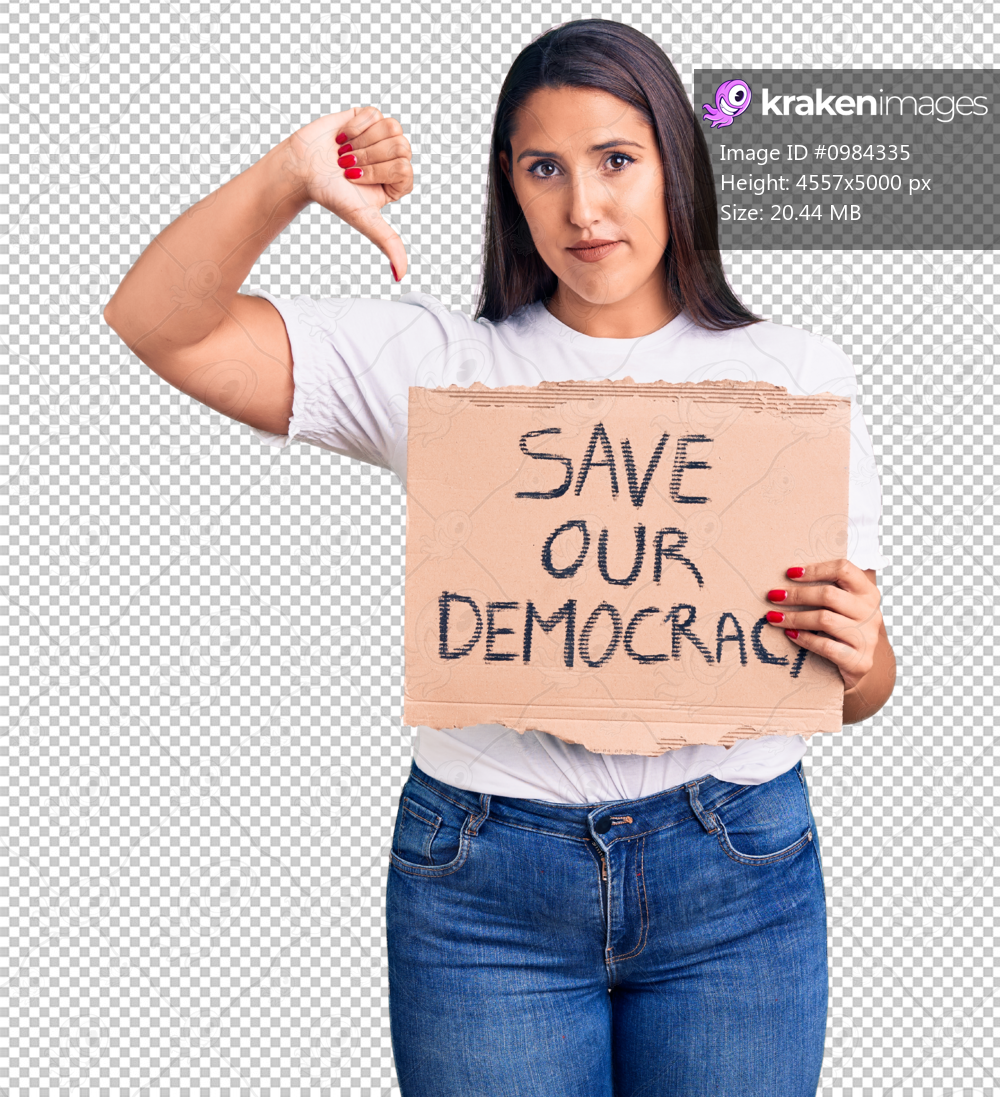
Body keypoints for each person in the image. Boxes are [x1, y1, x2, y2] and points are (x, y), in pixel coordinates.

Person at [103, 18, 896, 1097]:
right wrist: (292, 176)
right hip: (484, 886)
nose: (583, 206)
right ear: (509, 187)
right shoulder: (438, 363)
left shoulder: (792, 373)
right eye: (543, 168)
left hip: (736, 873)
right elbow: (160, 324)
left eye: (617, 160)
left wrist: (861, 657)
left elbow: (852, 691)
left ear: (675, 162)